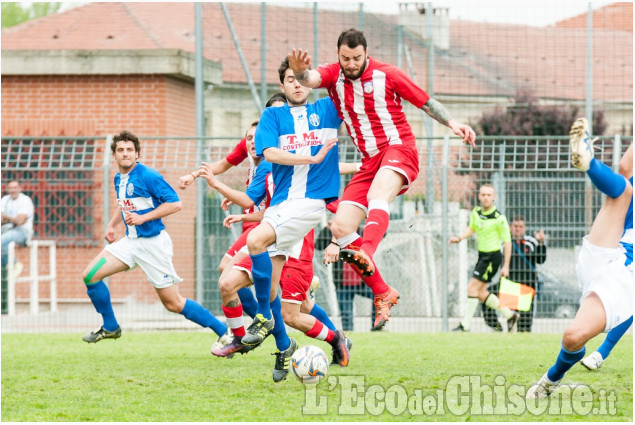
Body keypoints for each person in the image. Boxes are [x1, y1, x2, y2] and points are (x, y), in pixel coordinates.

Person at [288, 28, 477, 331]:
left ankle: (368, 252)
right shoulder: (332, 74)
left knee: (378, 196)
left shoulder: (388, 75)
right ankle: (382, 290)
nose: (351, 63)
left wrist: (453, 123)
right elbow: (310, 79)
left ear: (366, 53)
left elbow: (425, 102)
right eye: (346, 58)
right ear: (339, 54)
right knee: (341, 225)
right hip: (369, 162)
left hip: (398, 148)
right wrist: (299, 71)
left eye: (357, 58)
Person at [240, 56, 349, 371]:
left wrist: (321, 70)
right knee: (273, 290)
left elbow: (343, 85)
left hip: (311, 200)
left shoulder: (326, 109)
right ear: (282, 84)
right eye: (290, 79)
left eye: (302, 77)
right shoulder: (273, 115)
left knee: (255, 242)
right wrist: (311, 159)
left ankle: (261, 320)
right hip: (282, 206)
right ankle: (326, 339)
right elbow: (270, 153)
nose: (297, 83)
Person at [81, 130, 229, 344]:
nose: (125, 154)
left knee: (173, 303)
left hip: (153, 245)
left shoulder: (149, 176)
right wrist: (112, 225)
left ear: (137, 154)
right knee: (90, 275)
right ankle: (111, 326)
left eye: (129, 150)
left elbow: (175, 203)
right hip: (130, 243)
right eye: (120, 150)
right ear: (114, 155)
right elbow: (124, 203)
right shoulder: (119, 178)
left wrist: (143, 218)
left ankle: (223, 331)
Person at [526, 119, 633, 399]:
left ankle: (552, 378)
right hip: (606, 247)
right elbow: (625, 167)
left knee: (573, 338)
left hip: (622, 276)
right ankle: (587, 161)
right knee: (623, 189)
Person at [578, 141, 633, 371]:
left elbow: (624, 166)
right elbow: (625, 166)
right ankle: (601, 352)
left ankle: (601, 353)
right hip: (623, 251)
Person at [449, 184, 519, 332]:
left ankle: (465, 326)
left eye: (489, 195)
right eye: (483, 195)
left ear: (494, 197)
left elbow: (507, 243)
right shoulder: (476, 212)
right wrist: (460, 238)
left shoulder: (499, 218)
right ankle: (510, 315)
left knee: (471, 288)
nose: (486, 198)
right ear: (479, 196)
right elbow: (472, 228)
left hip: (492, 257)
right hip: (482, 256)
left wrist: (506, 266)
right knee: (480, 293)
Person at [482, 216, 546, 332]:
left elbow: (540, 259)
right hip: (508, 286)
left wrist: (541, 243)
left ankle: (522, 337)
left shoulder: (530, 243)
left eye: (521, 226)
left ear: (524, 228)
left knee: (524, 327)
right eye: (515, 226)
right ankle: (497, 327)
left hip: (526, 288)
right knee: (485, 296)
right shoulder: (503, 243)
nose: (518, 229)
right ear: (510, 227)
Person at [316, 220, 375, 332]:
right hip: (342, 282)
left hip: (362, 280)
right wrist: (328, 230)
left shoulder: (363, 232)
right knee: (346, 316)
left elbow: (382, 234)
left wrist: (369, 222)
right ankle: (349, 336)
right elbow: (318, 245)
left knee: (378, 296)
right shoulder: (337, 236)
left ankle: (376, 328)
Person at [1, 180, 34, 272]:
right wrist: (13, 219)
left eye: (15, 188)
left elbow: (20, 222)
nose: (13, 190)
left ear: (20, 189)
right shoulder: (5, 200)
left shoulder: (25, 200)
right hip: (6, 230)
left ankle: (15, 263)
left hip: (22, 232)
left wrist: (6, 218)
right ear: (7, 189)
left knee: (2, 240)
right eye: (10, 188)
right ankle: (4, 270)